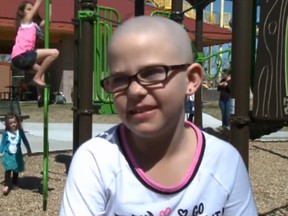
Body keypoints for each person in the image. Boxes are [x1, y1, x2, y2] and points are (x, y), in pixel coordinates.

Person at [60, 16, 257, 215]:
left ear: (191, 79)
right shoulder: (96, 162)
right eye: (119, 79)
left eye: (153, 73)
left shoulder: (224, 163)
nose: (135, 91)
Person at [10, 0, 59, 104]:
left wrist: (49, 4)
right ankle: (36, 78)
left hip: (20, 59)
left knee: (41, 72)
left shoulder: (34, 25)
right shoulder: (25, 21)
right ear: (22, 12)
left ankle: (40, 97)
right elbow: (37, 5)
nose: (32, 11)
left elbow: (48, 20)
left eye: (32, 9)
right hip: (22, 55)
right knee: (54, 52)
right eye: (29, 9)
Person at [0, 113, 32, 195]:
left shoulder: (20, 131)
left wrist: (28, 149)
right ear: (7, 124)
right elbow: (3, 143)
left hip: (17, 154)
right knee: (8, 169)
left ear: (17, 121)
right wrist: (1, 151)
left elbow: (25, 140)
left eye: (14, 122)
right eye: (11, 123)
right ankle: (6, 185)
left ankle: (14, 183)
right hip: (8, 154)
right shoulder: (6, 133)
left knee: (16, 169)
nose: (13, 124)